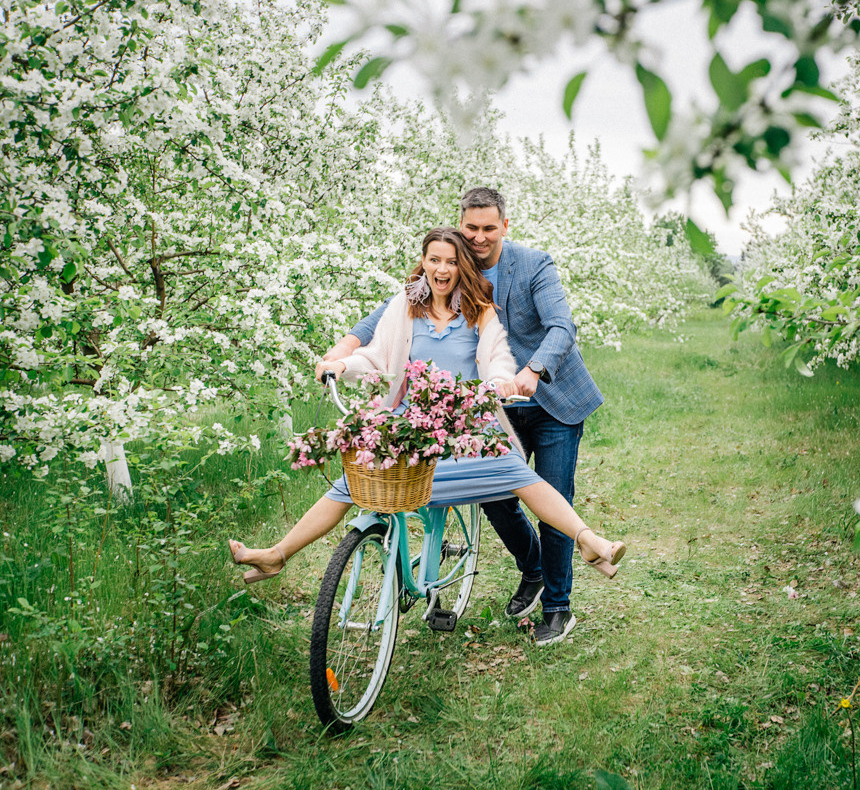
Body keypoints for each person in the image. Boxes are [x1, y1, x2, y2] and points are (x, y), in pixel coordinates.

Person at [229, 228, 625, 638]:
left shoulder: (480, 311)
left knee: (518, 474)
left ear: (463, 267)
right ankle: (277, 554)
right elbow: (376, 356)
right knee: (352, 483)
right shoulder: (404, 307)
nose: (442, 269)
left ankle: (587, 539)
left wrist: (501, 383)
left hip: (467, 423)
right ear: (424, 263)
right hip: (412, 422)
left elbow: (497, 359)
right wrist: (343, 364)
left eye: (452, 261)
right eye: (434, 260)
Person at [323, 188, 604, 646]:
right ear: (460, 225)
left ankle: (557, 606)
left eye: (489, 228)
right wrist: (344, 349)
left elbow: (561, 327)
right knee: (495, 498)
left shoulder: (533, 265)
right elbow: (386, 315)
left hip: (549, 398)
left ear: (504, 226)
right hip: (490, 405)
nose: (479, 237)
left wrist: (533, 370)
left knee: (551, 497)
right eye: (471, 228)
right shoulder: (452, 262)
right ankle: (533, 569)